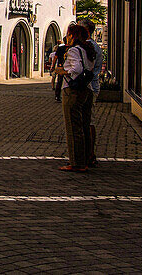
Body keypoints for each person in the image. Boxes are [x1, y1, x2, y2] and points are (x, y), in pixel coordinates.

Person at [54, 22, 96, 172]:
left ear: (73, 35)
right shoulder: (88, 50)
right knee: (84, 126)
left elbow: (76, 69)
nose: (67, 37)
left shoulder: (73, 50)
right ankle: (85, 159)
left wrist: (62, 71)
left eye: (68, 34)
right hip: (87, 89)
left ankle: (76, 162)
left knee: (73, 127)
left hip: (73, 90)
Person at [79, 18, 104, 166]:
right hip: (92, 86)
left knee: (88, 121)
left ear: (86, 31)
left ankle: (89, 154)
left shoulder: (89, 47)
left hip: (89, 87)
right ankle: (88, 153)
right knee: (87, 121)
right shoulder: (91, 46)